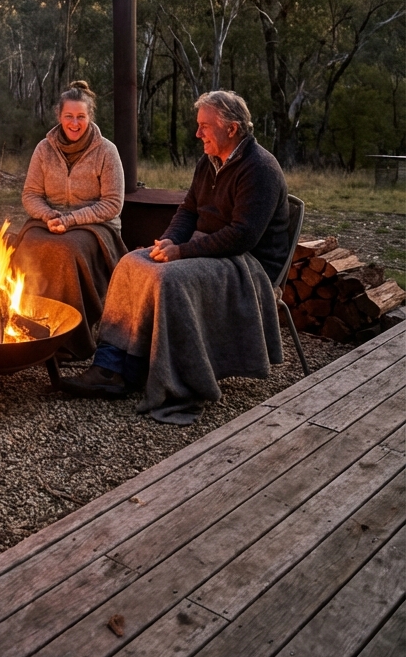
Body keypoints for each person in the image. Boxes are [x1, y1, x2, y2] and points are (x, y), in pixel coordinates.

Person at [60, 89, 287, 423]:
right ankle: (110, 367)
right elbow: (188, 210)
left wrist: (182, 252)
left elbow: (243, 236)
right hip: (209, 248)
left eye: (204, 126)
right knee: (132, 262)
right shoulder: (209, 162)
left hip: (246, 264)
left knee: (168, 278)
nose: (198, 134)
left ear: (232, 129)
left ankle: (168, 380)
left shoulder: (260, 169)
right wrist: (166, 242)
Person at [9, 81, 126, 360]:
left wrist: (72, 220)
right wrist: (48, 215)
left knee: (66, 250)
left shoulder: (107, 151)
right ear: (59, 117)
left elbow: (112, 203)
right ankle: (29, 325)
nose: (75, 123)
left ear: (90, 117)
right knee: (24, 246)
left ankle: (71, 338)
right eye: (69, 116)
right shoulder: (43, 149)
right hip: (49, 220)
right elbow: (31, 195)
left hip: (96, 225)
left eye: (81, 117)